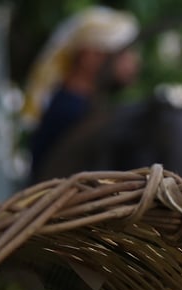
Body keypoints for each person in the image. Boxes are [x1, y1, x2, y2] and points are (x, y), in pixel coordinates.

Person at [21, 6, 141, 181]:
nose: (134, 61)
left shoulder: (83, 106)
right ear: (90, 56)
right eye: (124, 53)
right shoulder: (68, 112)